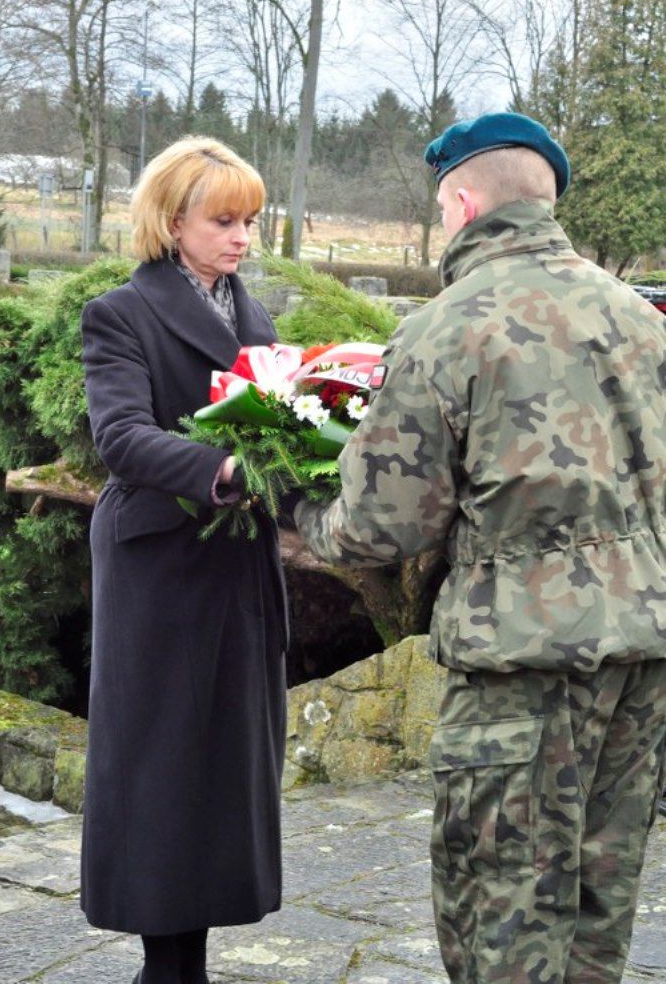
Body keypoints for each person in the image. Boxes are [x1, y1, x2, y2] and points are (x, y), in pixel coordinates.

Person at [289, 113, 666, 983]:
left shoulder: (447, 328)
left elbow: (382, 526)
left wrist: (303, 517)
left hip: (521, 672)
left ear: (460, 203)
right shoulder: (643, 322)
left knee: (499, 916)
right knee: (595, 911)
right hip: (641, 663)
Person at [80, 137, 288, 984]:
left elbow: (280, 431)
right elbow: (121, 438)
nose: (243, 238)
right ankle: (163, 965)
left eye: (251, 221)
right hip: (160, 566)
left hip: (236, 566)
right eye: (225, 220)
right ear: (172, 222)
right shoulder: (119, 313)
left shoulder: (256, 315)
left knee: (225, 762)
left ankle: (193, 956)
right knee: (160, 762)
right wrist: (225, 471)